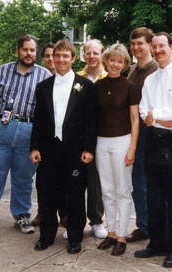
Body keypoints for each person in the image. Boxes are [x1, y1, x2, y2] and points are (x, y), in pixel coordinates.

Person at [0, 35, 51, 236]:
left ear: (36, 53)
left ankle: (21, 216)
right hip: (0, 129)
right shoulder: (2, 71)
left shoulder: (45, 76)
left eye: (32, 50)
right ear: (18, 51)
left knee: (23, 178)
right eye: (25, 50)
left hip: (28, 131)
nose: (29, 54)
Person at [30, 40, 96, 254]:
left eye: (65, 56)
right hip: (49, 149)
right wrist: (34, 147)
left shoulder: (85, 87)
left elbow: (90, 122)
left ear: (73, 59)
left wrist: (88, 149)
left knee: (74, 195)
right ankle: (46, 236)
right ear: (52, 58)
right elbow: (38, 120)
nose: (60, 60)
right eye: (57, 56)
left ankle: (75, 238)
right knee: (47, 193)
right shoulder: (43, 87)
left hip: (75, 150)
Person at [135, 32, 172, 268]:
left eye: (162, 46)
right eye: (155, 46)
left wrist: (155, 116)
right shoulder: (150, 80)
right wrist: (157, 118)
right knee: (155, 198)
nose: (158, 50)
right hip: (154, 140)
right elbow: (142, 110)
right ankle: (156, 244)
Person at [95, 44, 139, 256]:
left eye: (120, 61)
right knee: (107, 190)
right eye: (112, 60)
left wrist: (132, 148)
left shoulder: (130, 87)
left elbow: (134, 119)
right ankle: (111, 232)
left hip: (123, 141)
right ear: (106, 61)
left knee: (122, 190)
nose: (115, 64)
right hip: (101, 142)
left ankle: (122, 236)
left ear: (124, 64)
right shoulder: (98, 85)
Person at [70, 39, 108, 239]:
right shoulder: (75, 78)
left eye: (95, 52)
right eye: (88, 53)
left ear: (102, 53)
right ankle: (74, 223)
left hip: (101, 137)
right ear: (83, 55)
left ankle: (97, 220)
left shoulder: (110, 77)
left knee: (95, 183)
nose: (91, 56)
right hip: (77, 138)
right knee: (75, 181)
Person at [31, 43, 67, 228]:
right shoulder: (42, 82)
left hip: (66, 142)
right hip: (47, 142)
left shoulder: (71, 81)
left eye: (55, 55)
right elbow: (37, 117)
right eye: (47, 56)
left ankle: (64, 215)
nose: (51, 59)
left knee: (64, 183)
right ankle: (43, 213)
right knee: (44, 182)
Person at [126, 27, 157, 243]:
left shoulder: (155, 70)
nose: (136, 48)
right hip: (131, 129)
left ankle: (150, 227)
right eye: (133, 44)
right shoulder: (132, 70)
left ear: (149, 46)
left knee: (146, 182)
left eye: (141, 44)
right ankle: (143, 225)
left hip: (149, 131)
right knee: (138, 183)